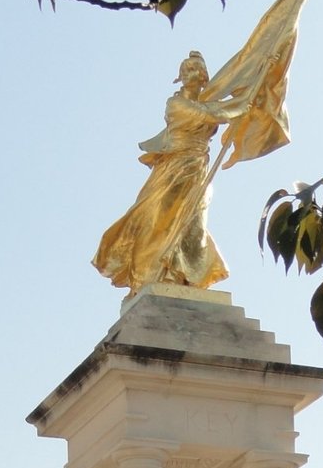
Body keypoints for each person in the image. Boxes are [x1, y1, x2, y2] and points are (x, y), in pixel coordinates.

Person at [92, 50, 252, 293]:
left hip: (197, 171)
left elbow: (219, 113)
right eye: (186, 70)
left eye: (195, 70)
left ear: (204, 76)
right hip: (173, 169)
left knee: (193, 223)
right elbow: (213, 115)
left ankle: (185, 276)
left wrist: (250, 98)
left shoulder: (208, 103)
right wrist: (242, 106)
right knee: (156, 218)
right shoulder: (176, 104)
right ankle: (147, 275)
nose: (191, 74)